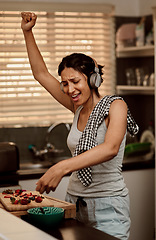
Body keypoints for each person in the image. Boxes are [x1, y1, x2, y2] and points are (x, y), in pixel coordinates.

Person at [21, 12, 139, 240]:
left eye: (75, 81)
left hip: (108, 208)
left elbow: (110, 148)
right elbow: (40, 74)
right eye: (65, 84)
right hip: (73, 203)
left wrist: (61, 167)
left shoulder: (116, 106)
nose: (69, 90)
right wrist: (28, 32)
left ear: (93, 79)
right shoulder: (77, 108)